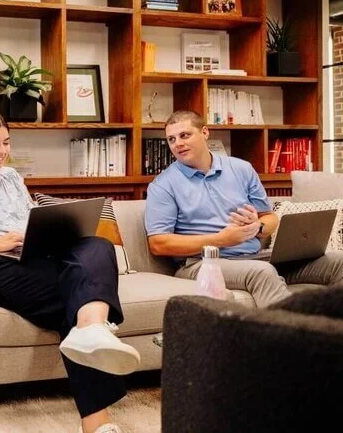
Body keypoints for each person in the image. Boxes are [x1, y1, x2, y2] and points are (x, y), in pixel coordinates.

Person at [0, 111, 140, 433]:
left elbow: (30, 218)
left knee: (97, 244)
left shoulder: (12, 177)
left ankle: (90, 327)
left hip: (31, 255)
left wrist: (44, 233)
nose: (2, 151)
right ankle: (96, 418)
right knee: (75, 296)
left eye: (6, 142)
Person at [145, 110, 343, 307]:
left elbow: (269, 217)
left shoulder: (241, 169)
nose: (178, 143)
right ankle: (291, 337)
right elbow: (158, 243)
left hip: (254, 256)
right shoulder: (163, 185)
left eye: (185, 135)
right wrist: (222, 240)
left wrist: (257, 227)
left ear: (205, 132)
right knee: (262, 272)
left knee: (338, 262)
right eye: (171, 139)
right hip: (201, 263)